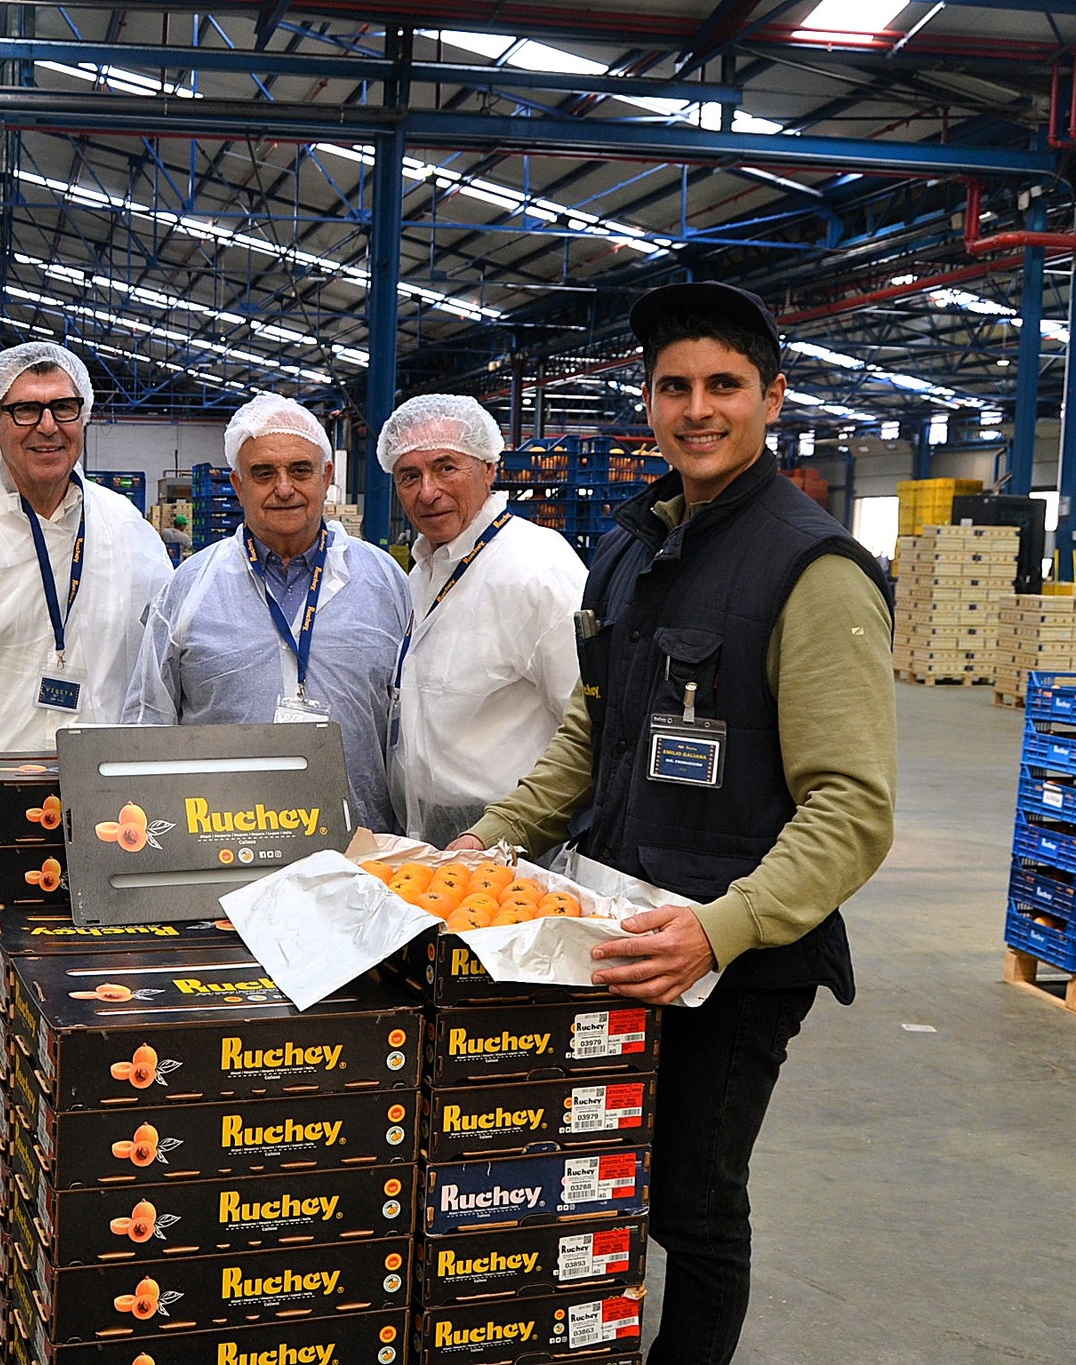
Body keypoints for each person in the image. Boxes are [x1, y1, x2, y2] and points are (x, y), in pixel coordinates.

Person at [449, 281, 896, 1365]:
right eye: (674, 387)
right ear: (647, 403)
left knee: (694, 1206)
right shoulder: (633, 547)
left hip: (733, 963)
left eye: (723, 386)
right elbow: (589, 734)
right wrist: (485, 842)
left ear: (772, 399)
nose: (697, 409)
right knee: (614, 1177)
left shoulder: (813, 571)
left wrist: (719, 928)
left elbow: (851, 808)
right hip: (619, 931)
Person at [0, 341, 173, 1245]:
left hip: (110, 809)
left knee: (99, 994)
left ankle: (84, 1175)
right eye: (25, 409)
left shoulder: (129, 529)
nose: (47, 425)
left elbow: (159, 671)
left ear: (85, 416)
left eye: (63, 407)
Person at [123, 394, 409, 833]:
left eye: (301, 470)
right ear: (238, 486)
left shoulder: (383, 582)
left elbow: (411, 728)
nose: (284, 488)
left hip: (361, 847)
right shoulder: (190, 588)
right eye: (263, 473)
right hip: (221, 843)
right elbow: (147, 722)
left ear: (326, 477)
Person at [380, 395, 585, 846]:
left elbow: (589, 729)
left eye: (446, 467)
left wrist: (515, 830)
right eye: (409, 476)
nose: (427, 492)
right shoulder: (424, 572)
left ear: (488, 468)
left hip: (515, 842)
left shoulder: (536, 569)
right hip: (431, 837)